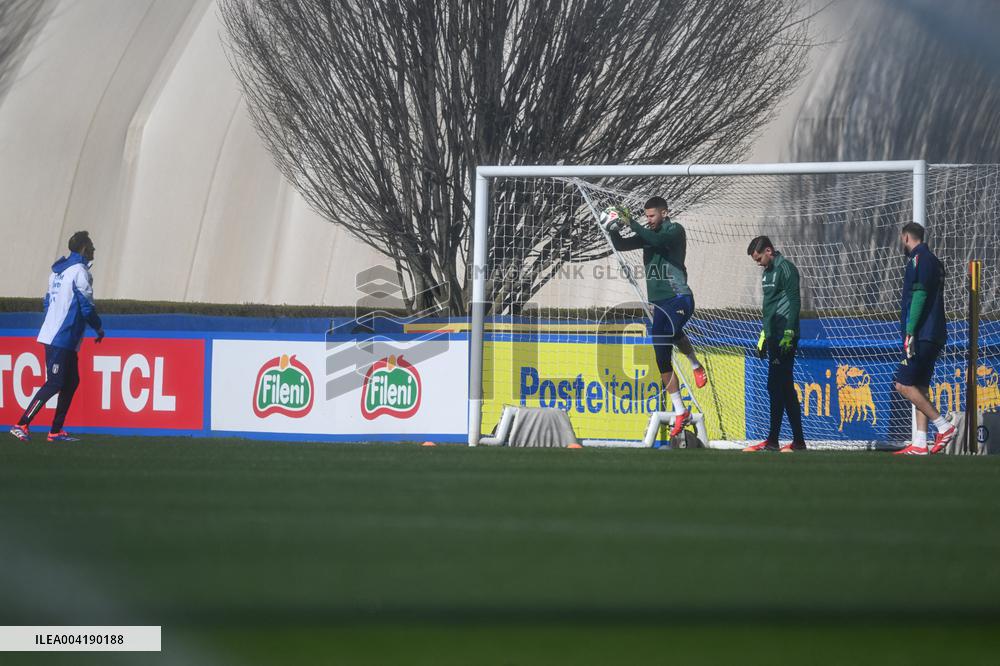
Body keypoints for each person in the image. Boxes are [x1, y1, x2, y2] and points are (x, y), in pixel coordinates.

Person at [607, 197, 707, 440]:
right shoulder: (649, 233)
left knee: (666, 336)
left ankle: (695, 366)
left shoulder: (674, 230)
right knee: (661, 354)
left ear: (664, 212)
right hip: (659, 305)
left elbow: (657, 239)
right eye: (646, 216)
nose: (648, 220)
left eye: (651, 216)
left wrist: (630, 220)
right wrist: (613, 228)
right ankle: (681, 410)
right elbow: (621, 245)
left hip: (679, 299)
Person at [9, 231, 104, 443]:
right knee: (55, 382)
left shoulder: (57, 273)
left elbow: (47, 302)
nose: (94, 249)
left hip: (61, 336)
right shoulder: (79, 271)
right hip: (61, 336)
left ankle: (55, 431)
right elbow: (86, 307)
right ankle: (21, 424)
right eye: (91, 245)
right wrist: (98, 328)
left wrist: (53, 323)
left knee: (71, 382)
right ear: (83, 248)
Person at [893, 222, 956, 455]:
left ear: (906, 237)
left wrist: (910, 331)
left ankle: (943, 426)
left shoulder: (920, 259)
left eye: (902, 239)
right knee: (920, 386)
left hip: (922, 334)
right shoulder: (934, 261)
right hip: (934, 332)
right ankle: (920, 441)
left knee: (903, 384)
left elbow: (919, 295)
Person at [743, 236, 806, 453]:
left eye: (759, 258)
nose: (758, 262)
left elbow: (795, 301)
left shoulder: (786, 268)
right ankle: (798, 442)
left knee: (775, 385)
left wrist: (789, 332)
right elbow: (768, 308)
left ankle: (772, 441)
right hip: (772, 335)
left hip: (784, 335)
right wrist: (763, 336)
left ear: (769, 250)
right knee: (785, 387)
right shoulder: (767, 272)